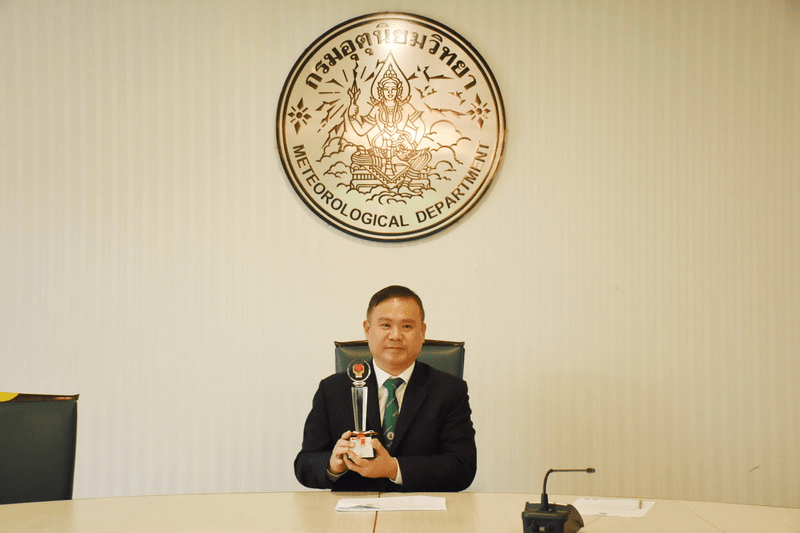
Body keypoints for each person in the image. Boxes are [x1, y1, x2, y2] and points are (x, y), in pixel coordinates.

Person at [294, 285, 477, 492]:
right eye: (385, 325)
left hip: (421, 507)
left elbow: (463, 468)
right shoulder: (333, 389)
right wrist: (332, 465)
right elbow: (304, 464)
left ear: (422, 332)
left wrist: (393, 468)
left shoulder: (449, 390)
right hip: (354, 508)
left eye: (406, 326)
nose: (395, 335)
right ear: (367, 329)